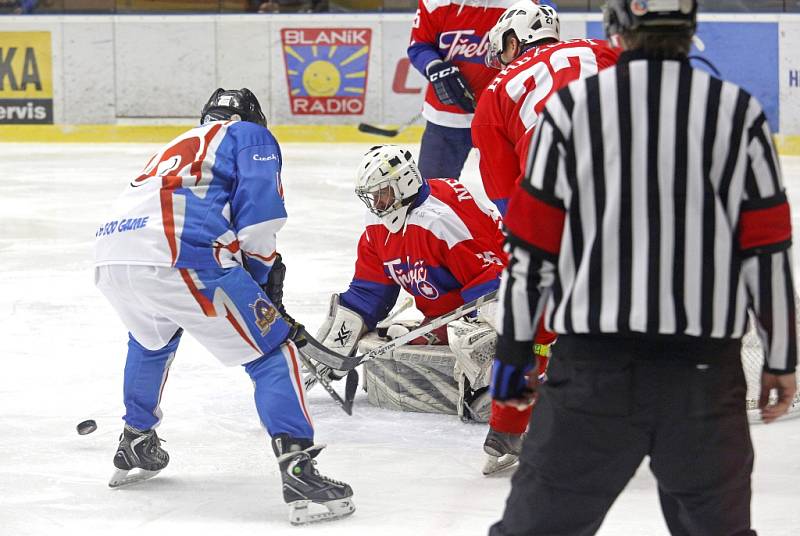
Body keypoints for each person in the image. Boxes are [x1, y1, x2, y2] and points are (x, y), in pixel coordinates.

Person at [489, 1, 798, 534]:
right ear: (690, 29)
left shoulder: (570, 113)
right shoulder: (737, 112)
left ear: (617, 29)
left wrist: (514, 355)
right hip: (705, 376)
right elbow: (767, 249)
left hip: (592, 372)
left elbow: (531, 251)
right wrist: (781, 358)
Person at [93, 88, 354, 525]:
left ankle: (136, 438)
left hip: (112, 256)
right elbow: (260, 217)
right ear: (253, 118)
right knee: (273, 351)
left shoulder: (179, 143)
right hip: (183, 254)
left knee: (150, 340)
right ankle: (300, 471)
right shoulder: (250, 135)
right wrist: (262, 278)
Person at [313, 144, 553, 474]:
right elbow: (370, 291)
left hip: (510, 295)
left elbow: (495, 284)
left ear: (405, 185)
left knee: (485, 333)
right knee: (397, 334)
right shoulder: (377, 224)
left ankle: (507, 392)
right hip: (447, 312)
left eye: (381, 195)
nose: (376, 204)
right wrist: (338, 341)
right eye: (372, 196)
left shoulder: (442, 220)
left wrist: (481, 326)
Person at [473, 1, 618, 215]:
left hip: (555, 196)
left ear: (512, 43)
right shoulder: (601, 48)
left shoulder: (494, 92)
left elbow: (506, 198)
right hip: (627, 165)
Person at [407, 0, 533, 180]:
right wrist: (434, 66)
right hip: (446, 117)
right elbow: (419, 45)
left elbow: (536, 50)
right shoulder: (435, 2)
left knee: (516, 194)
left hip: (500, 119)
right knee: (433, 196)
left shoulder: (523, 4)